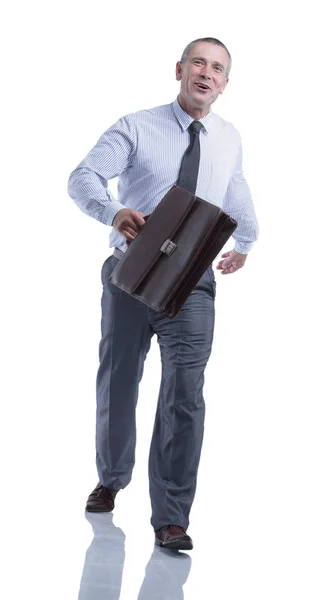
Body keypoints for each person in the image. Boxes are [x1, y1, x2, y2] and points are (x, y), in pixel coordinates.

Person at [68, 37, 259, 551]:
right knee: (119, 379)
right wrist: (113, 212)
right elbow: (83, 176)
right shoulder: (135, 126)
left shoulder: (228, 136)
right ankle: (111, 478)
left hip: (193, 282)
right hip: (131, 272)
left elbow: (233, 186)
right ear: (180, 69)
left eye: (217, 68)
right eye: (199, 62)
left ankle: (171, 516)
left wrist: (247, 240)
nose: (206, 73)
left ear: (224, 83)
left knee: (185, 393)